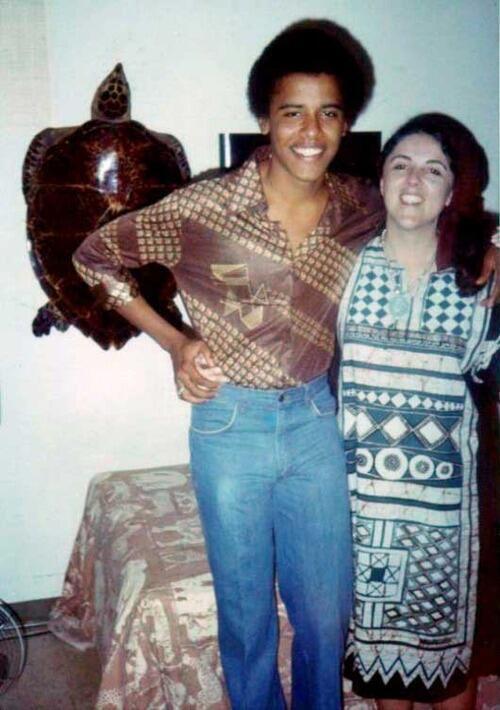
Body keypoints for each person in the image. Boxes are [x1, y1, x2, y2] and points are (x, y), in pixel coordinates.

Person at [73, 19, 384, 708]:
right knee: (245, 620)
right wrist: (176, 342)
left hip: (316, 421)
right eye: (292, 112)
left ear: (346, 122)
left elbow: (433, 217)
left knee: (326, 616)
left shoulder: (361, 204)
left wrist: (490, 244)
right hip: (230, 425)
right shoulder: (204, 209)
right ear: (264, 120)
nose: (311, 131)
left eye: (329, 113)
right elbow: (94, 258)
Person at [337, 113, 499, 710]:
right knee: (385, 668)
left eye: (433, 171)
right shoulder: (341, 267)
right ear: (380, 181)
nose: (413, 181)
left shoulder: (480, 279)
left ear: (452, 192)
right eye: (400, 166)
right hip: (362, 505)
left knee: (452, 666)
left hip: (450, 512)